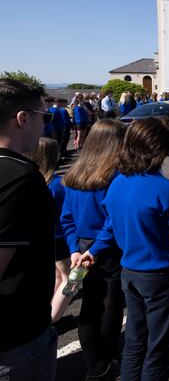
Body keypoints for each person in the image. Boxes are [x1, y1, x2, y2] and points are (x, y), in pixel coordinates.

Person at [80, 117, 169, 381]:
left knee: (135, 341)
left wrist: (94, 250)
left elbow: (110, 227)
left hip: (130, 272)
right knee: (158, 348)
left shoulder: (118, 183)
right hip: (160, 275)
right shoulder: (166, 190)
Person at [61, 118, 127, 378]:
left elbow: (66, 218)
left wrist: (74, 249)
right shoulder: (115, 176)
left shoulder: (74, 175)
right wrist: (96, 249)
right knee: (110, 304)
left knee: (88, 301)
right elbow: (112, 221)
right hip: (106, 250)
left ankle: (94, 363)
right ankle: (106, 360)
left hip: (81, 248)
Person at [0, 78, 57, 380]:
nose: (45, 126)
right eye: (43, 117)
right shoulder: (20, 178)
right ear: (23, 119)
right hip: (16, 339)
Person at [26, 137, 71, 323]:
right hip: (61, 238)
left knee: (57, 278)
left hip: (42, 239)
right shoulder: (58, 184)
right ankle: (52, 319)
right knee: (72, 280)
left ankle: (50, 314)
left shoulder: (30, 180)